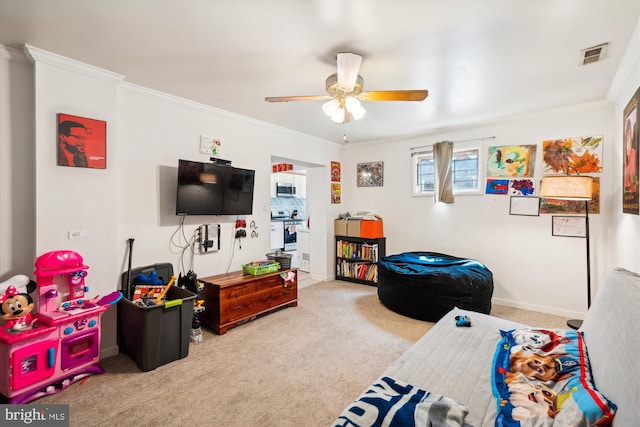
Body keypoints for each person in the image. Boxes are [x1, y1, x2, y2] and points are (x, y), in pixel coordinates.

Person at [624, 117, 638, 193]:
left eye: (630, 137)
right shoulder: (624, 159)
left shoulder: (634, 153)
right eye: (627, 138)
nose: (629, 140)